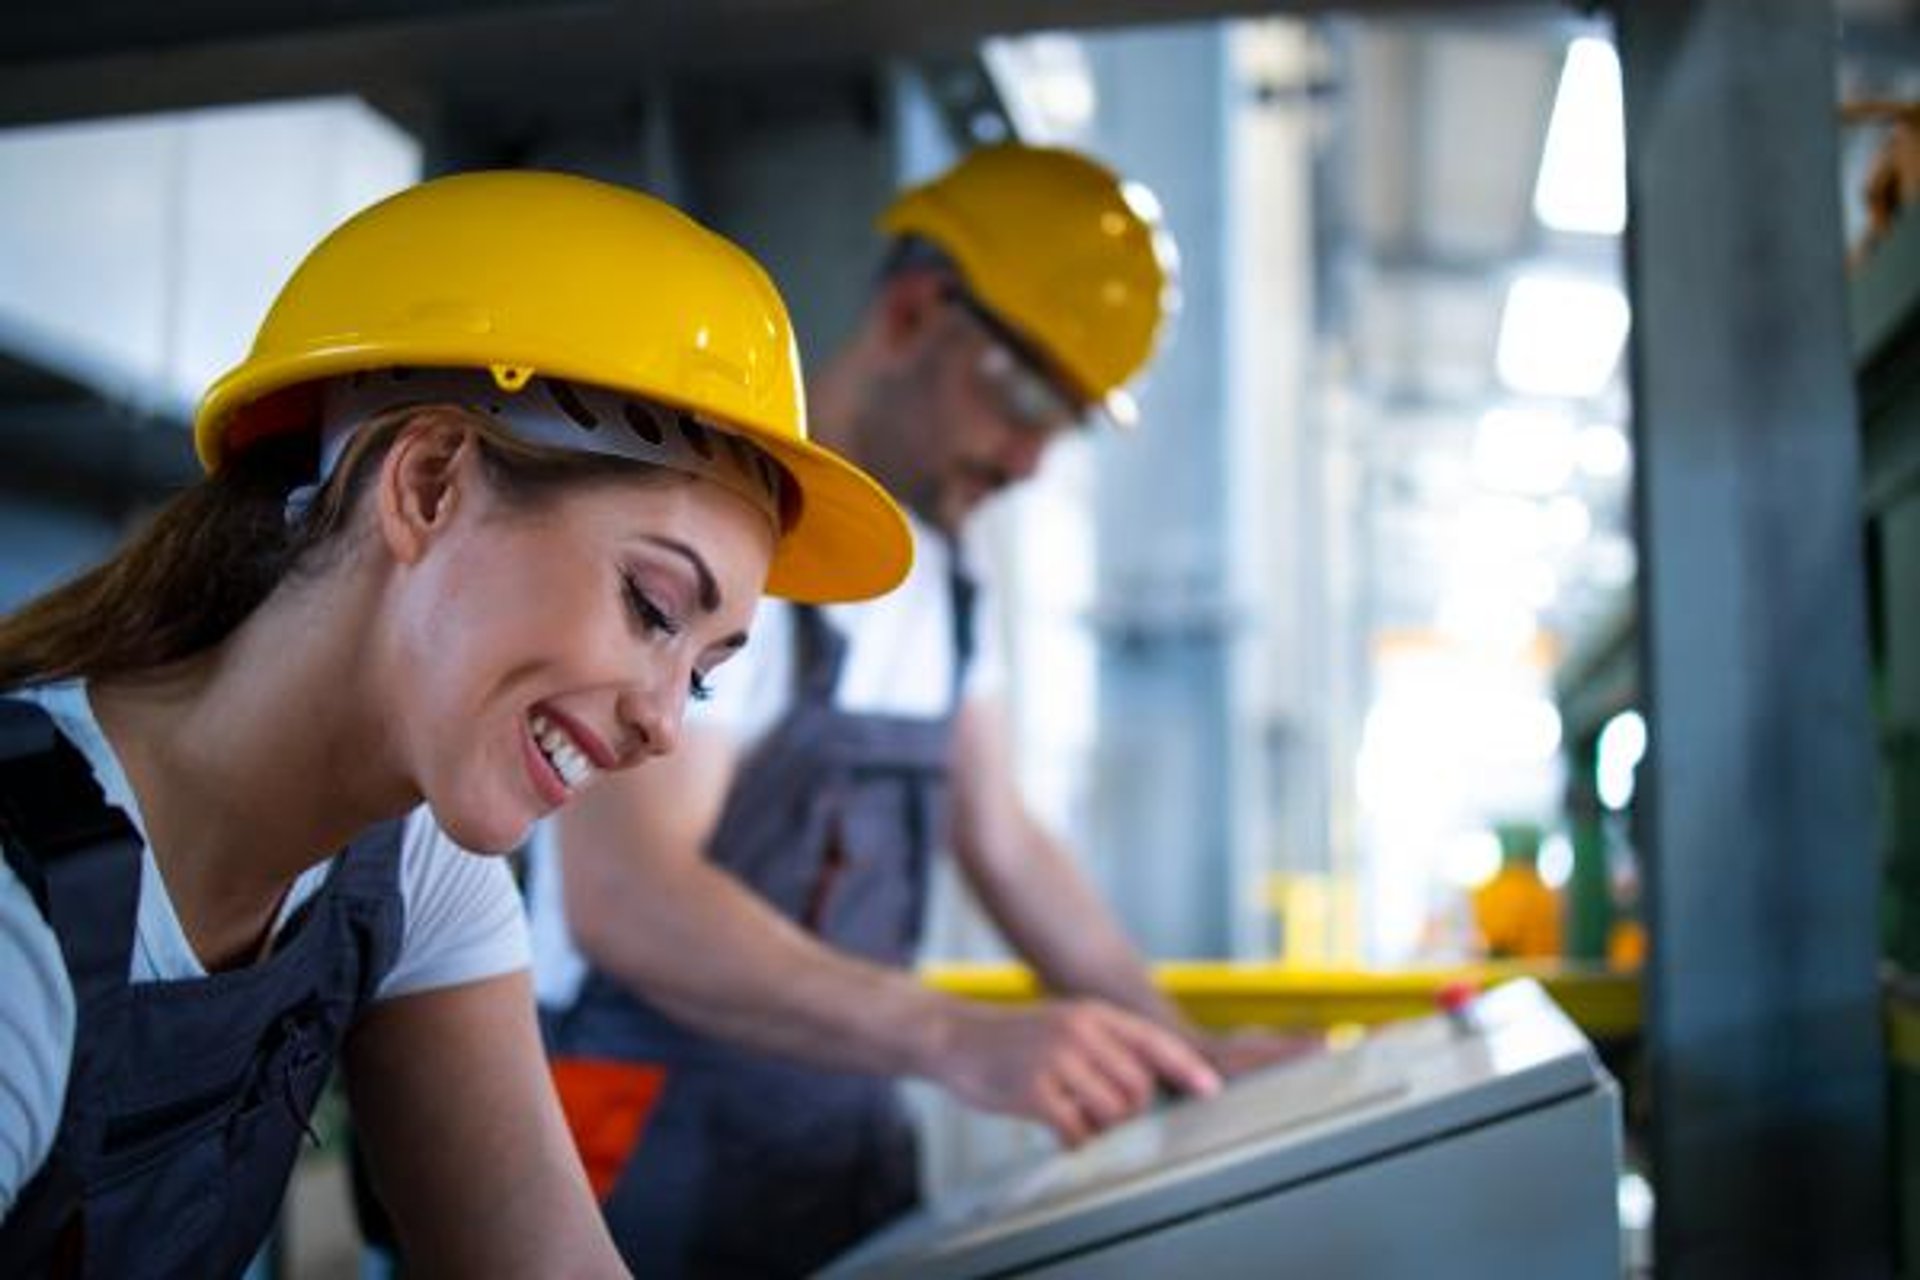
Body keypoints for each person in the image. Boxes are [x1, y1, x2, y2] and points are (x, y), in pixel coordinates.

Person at [0, 168, 911, 1279]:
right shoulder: (20, 919)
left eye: (705, 675)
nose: (666, 723)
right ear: (429, 483)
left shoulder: (413, 865)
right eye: (652, 606)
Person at [531, 143, 1314, 1277]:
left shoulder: (946, 581)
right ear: (911, 315)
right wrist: (950, 1035)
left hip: (830, 1136)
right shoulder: (724, 540)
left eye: (1063, 423)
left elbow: (1002, 838)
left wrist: (1183, 1055)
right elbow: (628, 893)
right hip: (636, 1138)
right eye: (1025, 399)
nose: (1031, 462)